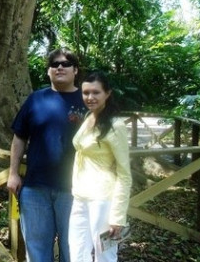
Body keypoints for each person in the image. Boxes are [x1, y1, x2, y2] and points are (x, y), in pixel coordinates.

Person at [7, 48, 87, 262]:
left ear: (75, 70)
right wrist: (13, 173)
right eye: (54, 64)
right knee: (37, 250)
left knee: (74, 251)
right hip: (35, 189)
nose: (60, 67)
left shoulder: (87, 100)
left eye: (66, 63)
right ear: (49, 71)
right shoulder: (35, 99)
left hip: (76, 190)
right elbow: (19, 138)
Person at [69, 71, 132, 262]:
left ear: (108, 93)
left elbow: (125, 174)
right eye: (86, 92)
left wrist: (118, 216)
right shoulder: (89, 117)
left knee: (104, 255)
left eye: (96, 92)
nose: (90, 97)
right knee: (77, 250)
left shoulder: (115, 125)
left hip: (103, 199)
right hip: (79, 196)